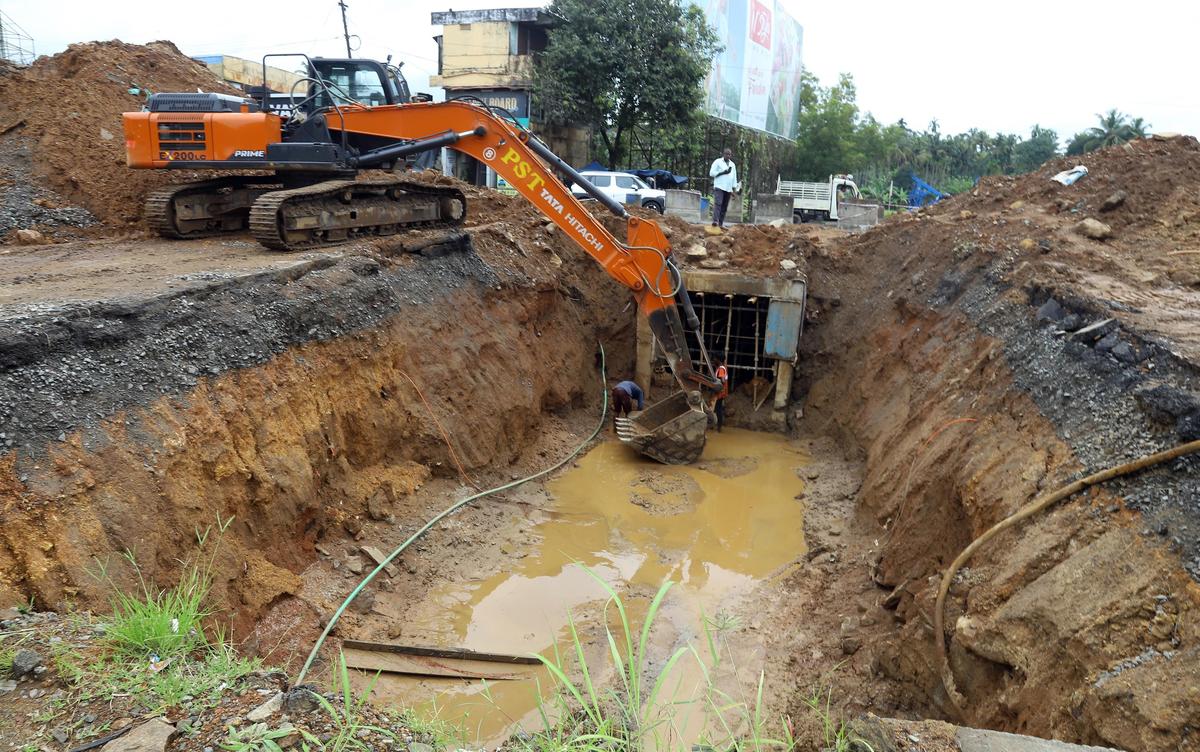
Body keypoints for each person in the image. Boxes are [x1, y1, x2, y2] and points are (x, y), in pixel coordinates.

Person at [708, 148, 740, 229]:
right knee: (718, 203)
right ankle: (715, 221)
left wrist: (734, 189)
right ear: (723, 154)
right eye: (726, 154)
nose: (728, 156)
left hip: (728, 188)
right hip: (719, 186)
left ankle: (721, 223)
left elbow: (734, 178)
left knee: (724, 206)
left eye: (729, 154)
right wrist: (722, 172)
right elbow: (711, 173)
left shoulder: (732, 165)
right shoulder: (718, 162)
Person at [711, 356, 729, 432]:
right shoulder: (720, 367)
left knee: (718, 409)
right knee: (717, 408)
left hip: (720, 391)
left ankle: (719, 427)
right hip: (721, 391)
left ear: (719, 360)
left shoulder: (721, 368)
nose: (714, 360)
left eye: (715, 359)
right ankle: (716, 425)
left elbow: (722, 381)